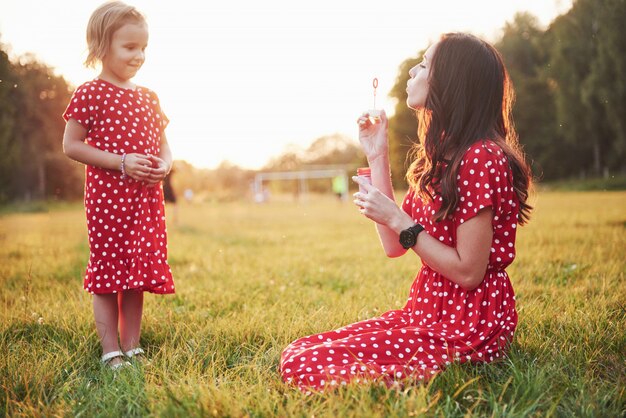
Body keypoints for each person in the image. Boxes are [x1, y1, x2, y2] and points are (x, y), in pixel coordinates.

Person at [280, 33, 533, 392]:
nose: (413, 70)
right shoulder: (441, 157)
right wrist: (376, 154)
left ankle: (404, 384)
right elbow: (394, 246)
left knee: (305, 364)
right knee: (299, 351)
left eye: (425, 64)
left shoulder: (481, 158)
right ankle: (400, 377)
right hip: (426, 311)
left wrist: (400, 219)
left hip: (468, 323)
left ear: (451, 82)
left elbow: (468, 272)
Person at [62, 1, 175, 370]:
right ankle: (111, 350)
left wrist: (165, 164)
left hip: (145, 200)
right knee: (109, 274)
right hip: (109, 200)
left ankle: (133, 345)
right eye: (130, 47)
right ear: (101, 47)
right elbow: (71, 145)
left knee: (136, 273)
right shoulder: (90, 93)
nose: (139, 55)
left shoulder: (149, 96)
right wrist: (121, 162)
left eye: (144, 47)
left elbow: (163, 142)